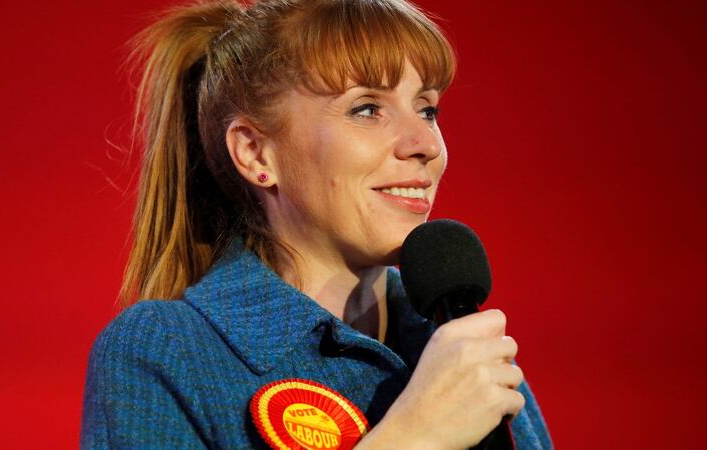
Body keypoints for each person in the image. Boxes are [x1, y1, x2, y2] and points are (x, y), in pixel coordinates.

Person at [81, 0, 552, 448]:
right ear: (255, 152)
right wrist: (414, 438)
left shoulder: (458, 341)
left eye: (427, 109)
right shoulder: (167, 351)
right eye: (366, 109)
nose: (424, 143)